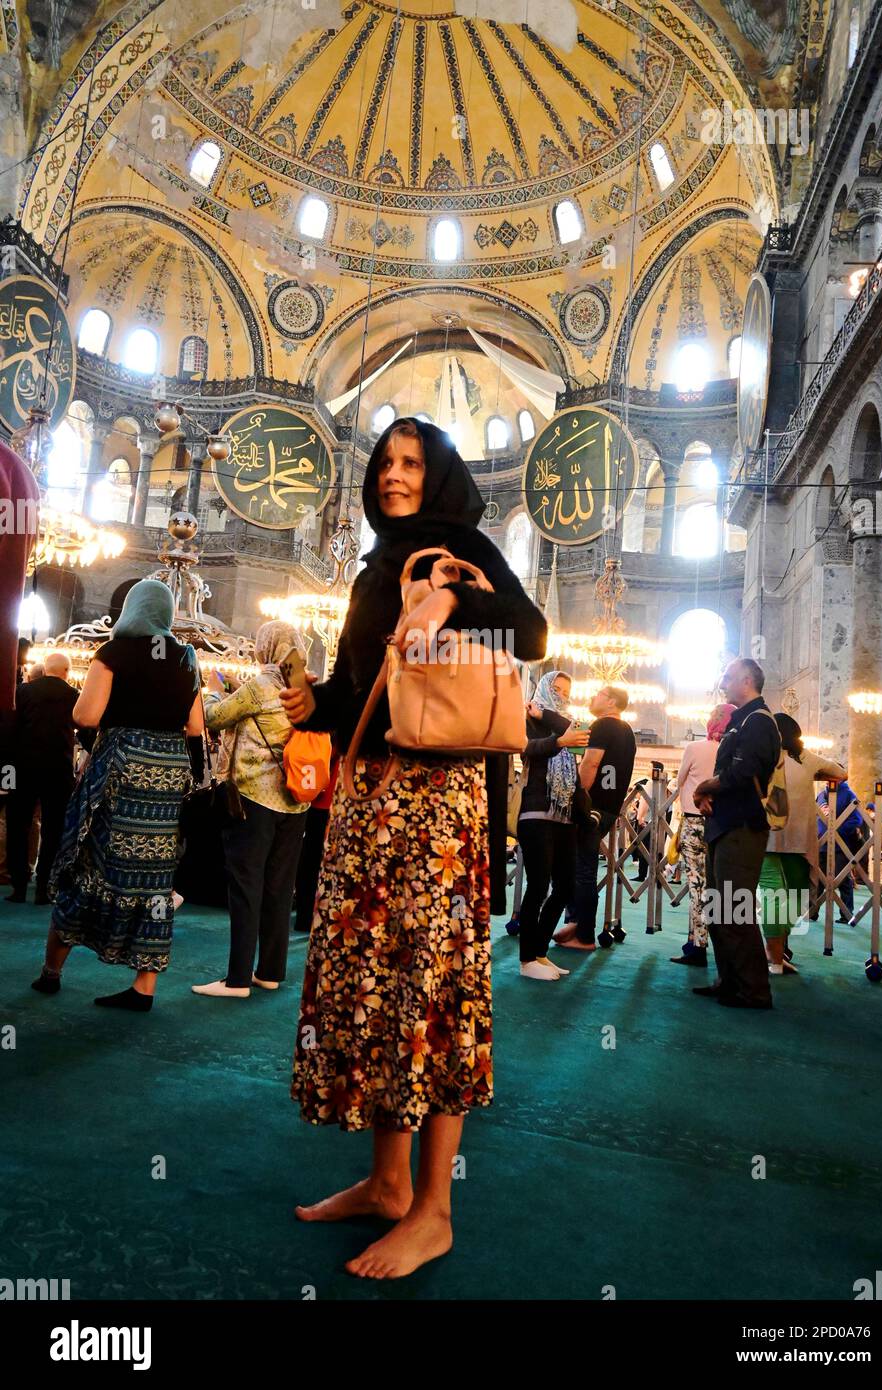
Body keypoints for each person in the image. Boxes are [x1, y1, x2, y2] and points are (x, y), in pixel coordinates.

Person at [281, 417, 546, 1279]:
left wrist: (449, 597)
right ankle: (388, 1183)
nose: (393, 475)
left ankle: (434, 1211)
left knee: (431, 990)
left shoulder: (459, 547)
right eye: (384, 463)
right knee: (382, 985)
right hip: (369, 808)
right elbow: (374, 687)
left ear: (438, 476)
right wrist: (313, 703)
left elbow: (529, 634)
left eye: (410, 463)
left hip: (434, 808)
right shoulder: (376, 562)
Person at [31, 579, 202, 1011]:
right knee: (154, 879)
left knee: (86, 862)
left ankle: (52, 972)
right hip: (166, 777)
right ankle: (144, 989)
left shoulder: (113, 653)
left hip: (122, 769)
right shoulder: (186, 657)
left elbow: (85, 715)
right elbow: (197, 728)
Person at [192, 621, 310, 999]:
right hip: (296, 800)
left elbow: (215, 718)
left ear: (267, 646)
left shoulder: (262, 685)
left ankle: (237, 979)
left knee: (246, 885)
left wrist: (212, 693)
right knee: (278, 887)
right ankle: (270, 972)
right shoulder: (305, 688)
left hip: (255, 799)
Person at [692, 657, 781, 1010]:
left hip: (743, 826)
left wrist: (703, 788)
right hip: (726, 824)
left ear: (747, 680)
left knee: (734, 908)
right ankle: (729, 981)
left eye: (727, 677)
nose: (722, 682)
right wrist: (710, 793)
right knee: (719, 907)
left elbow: (741, 774)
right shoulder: (741, 720)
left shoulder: (759, 721)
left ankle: (754, 990)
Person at [759, 714, 846, 975]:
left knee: (779, 897)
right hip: (788, 838)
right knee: (790, 896)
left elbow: (840, 773)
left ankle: (774, 952)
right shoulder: (806, 759)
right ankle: (775, 956)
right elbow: (841, 773)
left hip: (771, 836)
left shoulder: (771, 757)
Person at [516, 670, 589, 977]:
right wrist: (558, 739)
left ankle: (541, 952)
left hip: (565, 816)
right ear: (544, 687)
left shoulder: (548, 716)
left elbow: (583, 739)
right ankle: (526, 960)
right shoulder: (527, 718)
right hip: (536, 812)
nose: (561, 696)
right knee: (538, 886)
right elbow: (526, 748)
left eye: (565, 692)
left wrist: (548, 715)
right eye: (555, 690)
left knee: (564, 886)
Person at [554, 684, 635, 952]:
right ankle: (576, 925)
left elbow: (590, 764)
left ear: (611, 701)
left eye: (598, 694)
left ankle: (585, 935)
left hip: (591, 807)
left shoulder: (601, 726)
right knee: (580, 867)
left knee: (582, 870)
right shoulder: (627, 731)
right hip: (609, 807)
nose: (591, 697)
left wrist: (576, 797)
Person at [4, 652, 88, 905]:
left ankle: (18, 886)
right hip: (58, 771)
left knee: (18, 826)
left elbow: (10, 730)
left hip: (24, 768)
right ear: (67, 671)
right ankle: (44, 887)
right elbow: (86, 730)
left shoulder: (23, 691)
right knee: (54, 830)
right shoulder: (74, 695)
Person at [670, 702, 736, 966]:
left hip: (694, 822)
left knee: (697, 885)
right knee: (716, 885)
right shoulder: (733, 753)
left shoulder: (694, 748)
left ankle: (698, 946)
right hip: (722, 823)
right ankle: (694, 941)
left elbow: (680, 780)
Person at [293, 748, 340, 934]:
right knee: (317, 860)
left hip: (315, 789)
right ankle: (312, 917)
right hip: (329, 794)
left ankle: (305, 917)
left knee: (309, 858)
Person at [816, 778, 866, 922]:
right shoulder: (820, 795)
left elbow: (856, 820)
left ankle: (846, 914)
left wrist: (836, 832)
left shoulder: (849, 794)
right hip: (821, 844)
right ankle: (813, 911)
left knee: (842, 879)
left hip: (841, 845)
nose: (827, 779)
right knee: (818, 879)